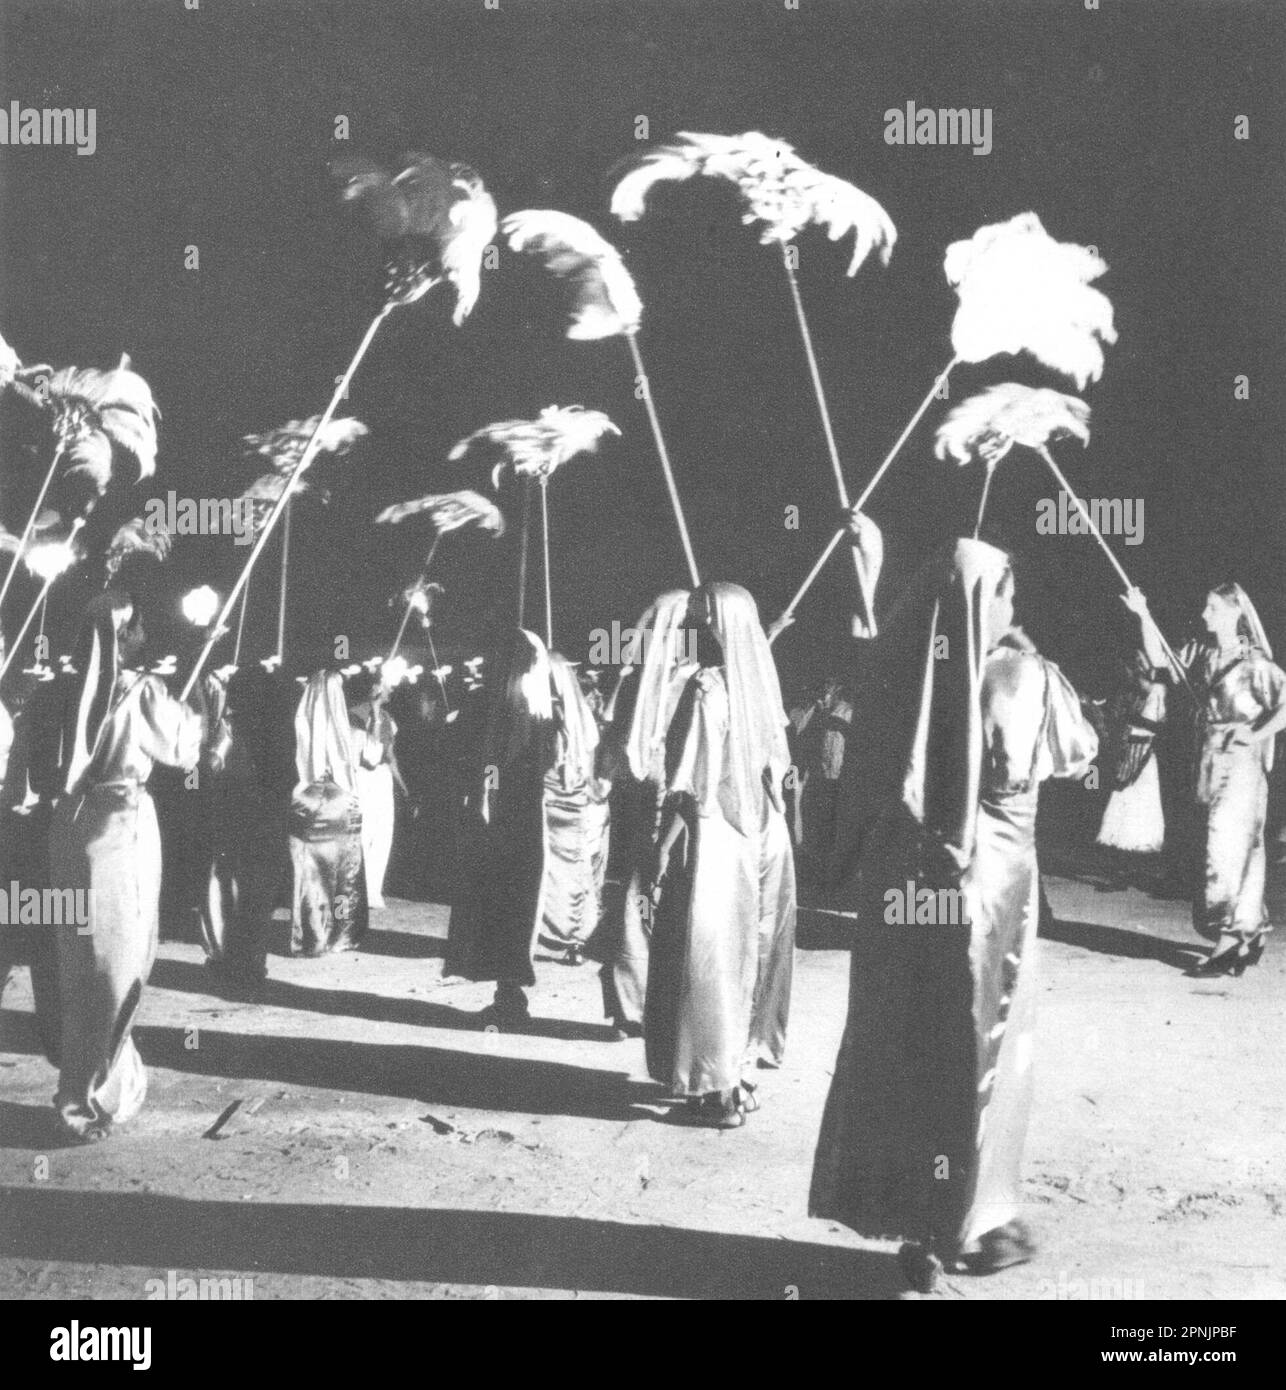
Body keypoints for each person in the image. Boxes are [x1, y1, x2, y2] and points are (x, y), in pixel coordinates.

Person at [810, 534, 1098, 1292]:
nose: (1013, 599)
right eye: (1003, 587)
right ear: (983, 600)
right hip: (996, 885)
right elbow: (1077, 749)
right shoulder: (1017, 672)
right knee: (988, 1052)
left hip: (925, 891)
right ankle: (973, 1216)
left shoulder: (912, 677)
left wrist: (870, 570)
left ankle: (927, 1215)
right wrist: (1036, 664)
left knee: (924, 1051)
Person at [45, 592, 204, 1141]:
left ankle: (107, 1080)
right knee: (118, 966)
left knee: (81, 965)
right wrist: (204, 700)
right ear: (121, 636)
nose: (143, 637)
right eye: (135, 630)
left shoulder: (60, 687)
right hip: (119, 826)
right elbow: (184, 748)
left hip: (70, 829)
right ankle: (84, 1097)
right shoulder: (141, 691)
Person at [645, 582, 796, 1128]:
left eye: (698, 616)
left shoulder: (707, 689)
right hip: (765, 835)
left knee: (709, 961)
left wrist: (661, 849)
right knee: (752, 951)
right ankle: (741, 1072)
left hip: (717, 840)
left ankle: (716, 1089)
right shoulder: (761, 686)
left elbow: (689, 783)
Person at [1124, 583, 1286, 974]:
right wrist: (1143, 614)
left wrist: (1257, 733)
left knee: (1225, 848)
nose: (1204, 616)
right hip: (1209, 761)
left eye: (1212, 608)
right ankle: (1251, 926)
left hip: (1242, 765)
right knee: (1239, 850)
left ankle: (1228, 938)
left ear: (1234, 613)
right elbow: (1160, 658)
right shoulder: (1203, 654)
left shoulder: (1256, 664)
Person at [588, 590, 694, 1038]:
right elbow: (612, 756)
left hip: (677, 812)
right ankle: (626, 1009)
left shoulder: (695, 680)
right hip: (639, 812)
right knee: (631, 908)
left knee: (670, 915)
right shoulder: (636, 685)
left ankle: (661, 1011)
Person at [445, 629, 555, 1025]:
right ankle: (508, 990)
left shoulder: (513, 706)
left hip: (512, 817)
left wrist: (486, 796)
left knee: (508, 903)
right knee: (508, 904)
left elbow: (491, 760)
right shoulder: (534, 707)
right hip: (521, 816)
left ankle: (509, 992)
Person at [197, 664, 290, 987]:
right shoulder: (274, 729)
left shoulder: (235, 728)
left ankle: (239, 962)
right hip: (263, 820)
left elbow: (214, 771)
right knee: (255, 900)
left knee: (237, 896)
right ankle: (249, 965)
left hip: (241, 818)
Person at [289, 670, 368, 956]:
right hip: (340, 799)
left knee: (312, 875)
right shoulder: (342, 724)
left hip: (307, 799)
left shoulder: (299, 721)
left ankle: (312, 936)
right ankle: (341, 933)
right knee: (343, 877)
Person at [540, 653, 611, 965]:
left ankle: (574, 937)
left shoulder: (561, 718)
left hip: (564, 805)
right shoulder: (574, 718)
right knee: (565, 874)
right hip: (564, 803)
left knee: (570, 874)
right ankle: (567, 938)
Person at [348, 672, 406, 910]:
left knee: (383, 835)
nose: (391, 689)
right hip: (364, 778)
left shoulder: (388, 718)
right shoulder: (356, 715)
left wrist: (404, 788)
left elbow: (389, 757)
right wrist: (372, 711)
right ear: (374, 687)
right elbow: (369, 754)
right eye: (387, 685)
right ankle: (356, 889)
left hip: (383, 779)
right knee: (365, 833)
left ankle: (373, 890)